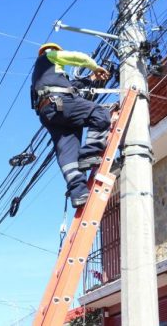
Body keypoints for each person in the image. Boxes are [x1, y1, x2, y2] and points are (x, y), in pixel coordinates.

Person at [31, 43, 111, 208]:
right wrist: (95, 67)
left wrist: (91, 79)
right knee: (100, 113)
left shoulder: (44, 77)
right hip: (59, 103)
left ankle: (78, 193)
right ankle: (89, 154)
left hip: (50, 113)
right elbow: (78, 57)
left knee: (67, 152)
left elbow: (73, 87)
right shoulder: (49, 56)